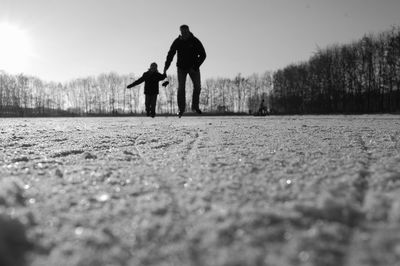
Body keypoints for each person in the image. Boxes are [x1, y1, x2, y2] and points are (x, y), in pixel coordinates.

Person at [163, 24, 206, 118]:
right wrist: (166, 67)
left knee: (197, 87)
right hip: (181, 68)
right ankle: (181, 109)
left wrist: (196, 66)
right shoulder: (177, 41)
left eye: (186, 32)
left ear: (189, 31)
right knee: (181, 88)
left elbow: (203, 54)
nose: (184, 33)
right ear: (180, 32)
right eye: (182, 32)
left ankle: (195, 106)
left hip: (193, 68)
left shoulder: (195, 41)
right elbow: (170, 54)